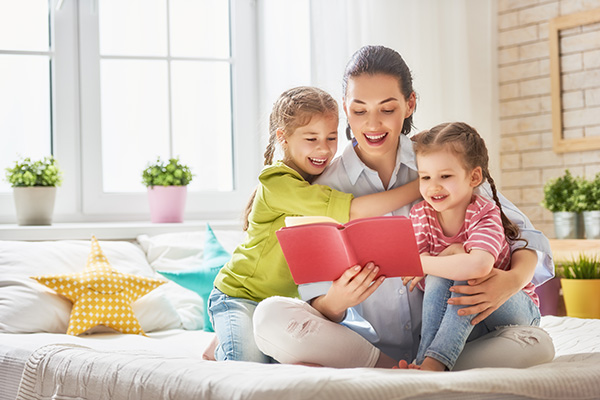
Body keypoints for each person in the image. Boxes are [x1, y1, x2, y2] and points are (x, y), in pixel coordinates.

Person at [252, 45, 554, 369]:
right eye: (359, 110)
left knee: (535, 344)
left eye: (387, 109)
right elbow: (317, 300)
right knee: (269, 317)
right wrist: (338, 300)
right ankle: (393, 369)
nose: (372, 124)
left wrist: (510, 283)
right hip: (371, 347)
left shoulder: (441, 161)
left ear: (409, 105)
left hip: (458, 338)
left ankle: (434, 364)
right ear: (345, 108)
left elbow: (524, 236)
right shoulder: (325, 188)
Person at [208, 86, 421, 363]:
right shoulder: (278, 182)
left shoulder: (319, 181)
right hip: (242, 296)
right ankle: (224, 344)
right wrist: (420, 185)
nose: (324, 149)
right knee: (246, 366)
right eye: (311, 139)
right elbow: (354, 211)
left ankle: (225, 341)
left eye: (331, 137)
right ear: (282, 138)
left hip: (289, 306)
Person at [400, 122, 540, 371]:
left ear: (474, 177)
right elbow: (417, 281)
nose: (433, 186)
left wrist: (425, 262)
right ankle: (424, 362)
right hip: (469, 322)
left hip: (512, 311)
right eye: (425, 177)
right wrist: (448, 255)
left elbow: (478, 265)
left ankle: (431, 362)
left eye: (445, 176)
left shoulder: (484, 212)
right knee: (445, 273)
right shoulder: (421, 215)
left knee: (466, 276)